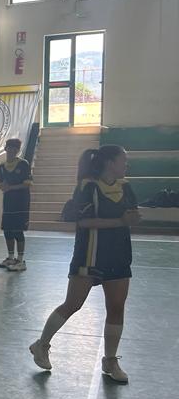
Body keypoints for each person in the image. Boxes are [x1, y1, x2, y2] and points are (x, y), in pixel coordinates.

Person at [28, 146, 140, 383]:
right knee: (73, 304)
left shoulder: (126, 187)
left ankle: (110, 360)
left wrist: (134, 218)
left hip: (118, 255)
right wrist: (120, 221)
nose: (126, 165)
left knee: (117, 307)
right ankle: (41, 345)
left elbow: (131, 215)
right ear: (110, 163)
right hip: (89, 255)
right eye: (123, 160)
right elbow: (84, 222)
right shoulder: (87, 187)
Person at [0, 138, 32, 272]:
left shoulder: (23, 164)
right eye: (9, 148)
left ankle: (20, 261)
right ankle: (10, 257)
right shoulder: (1, 167)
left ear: (17, 150)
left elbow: (27, 184)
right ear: (6, 149)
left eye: (14, 148)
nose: (11, 150)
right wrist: (4, 187)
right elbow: (0, 184)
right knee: (7, 230)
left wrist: (11, 187)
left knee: (18, 231)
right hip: (8, 203)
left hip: (21, 203)